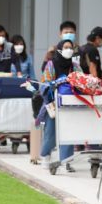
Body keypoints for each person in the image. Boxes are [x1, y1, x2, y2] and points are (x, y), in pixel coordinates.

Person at [39, 39, 80, 173]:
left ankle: (66, 161)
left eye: (71, 47)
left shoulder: (74, 65)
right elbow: (44, 83)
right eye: (66, 47)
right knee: (51, 131)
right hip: (53, 103)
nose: (69, 50)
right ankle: (45, 156)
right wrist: (56, 83)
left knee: (68, 132)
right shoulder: (51, 64)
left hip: (70, 103)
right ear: (60, 50)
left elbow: (81, 80)